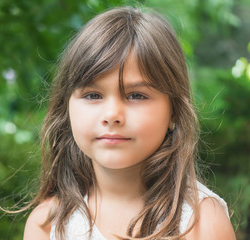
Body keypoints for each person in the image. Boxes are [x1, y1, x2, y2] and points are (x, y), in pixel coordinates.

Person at [22, 6, 236, 240]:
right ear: (67, 108)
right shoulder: (47, 225)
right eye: (93, 95)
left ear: (174, 111)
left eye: (136, 95)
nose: (112, 114)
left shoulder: (201, 223)